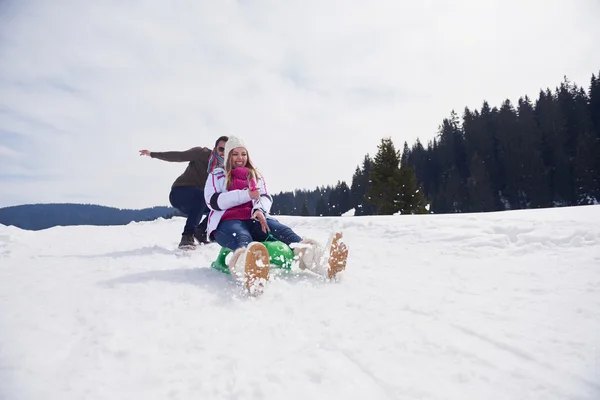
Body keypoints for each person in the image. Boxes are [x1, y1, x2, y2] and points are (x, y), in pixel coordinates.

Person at [203, 136, 348, 283]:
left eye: (243, 154)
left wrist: (259, 210)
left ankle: (325, 264)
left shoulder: (254, 175)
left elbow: (265, 196)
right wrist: (246, 195)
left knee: (285, 232)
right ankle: (250, 273)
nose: (240, 158)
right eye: (235, 154)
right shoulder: (217, 176)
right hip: (227, 222)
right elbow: (213, 201)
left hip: (254, 218)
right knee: (242, 237)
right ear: (228, 156)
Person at [139, 136, 228, 249]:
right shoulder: (202, 153)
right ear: (215, 148)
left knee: (223, 204)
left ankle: (201, 231)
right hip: (180, 193)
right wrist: (152, 154)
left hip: (200, 202)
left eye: (227, 150)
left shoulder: (226, 170)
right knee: (201, 195)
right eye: (221, 149)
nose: (223, 153)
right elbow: (179, 156)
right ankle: (187, 236)